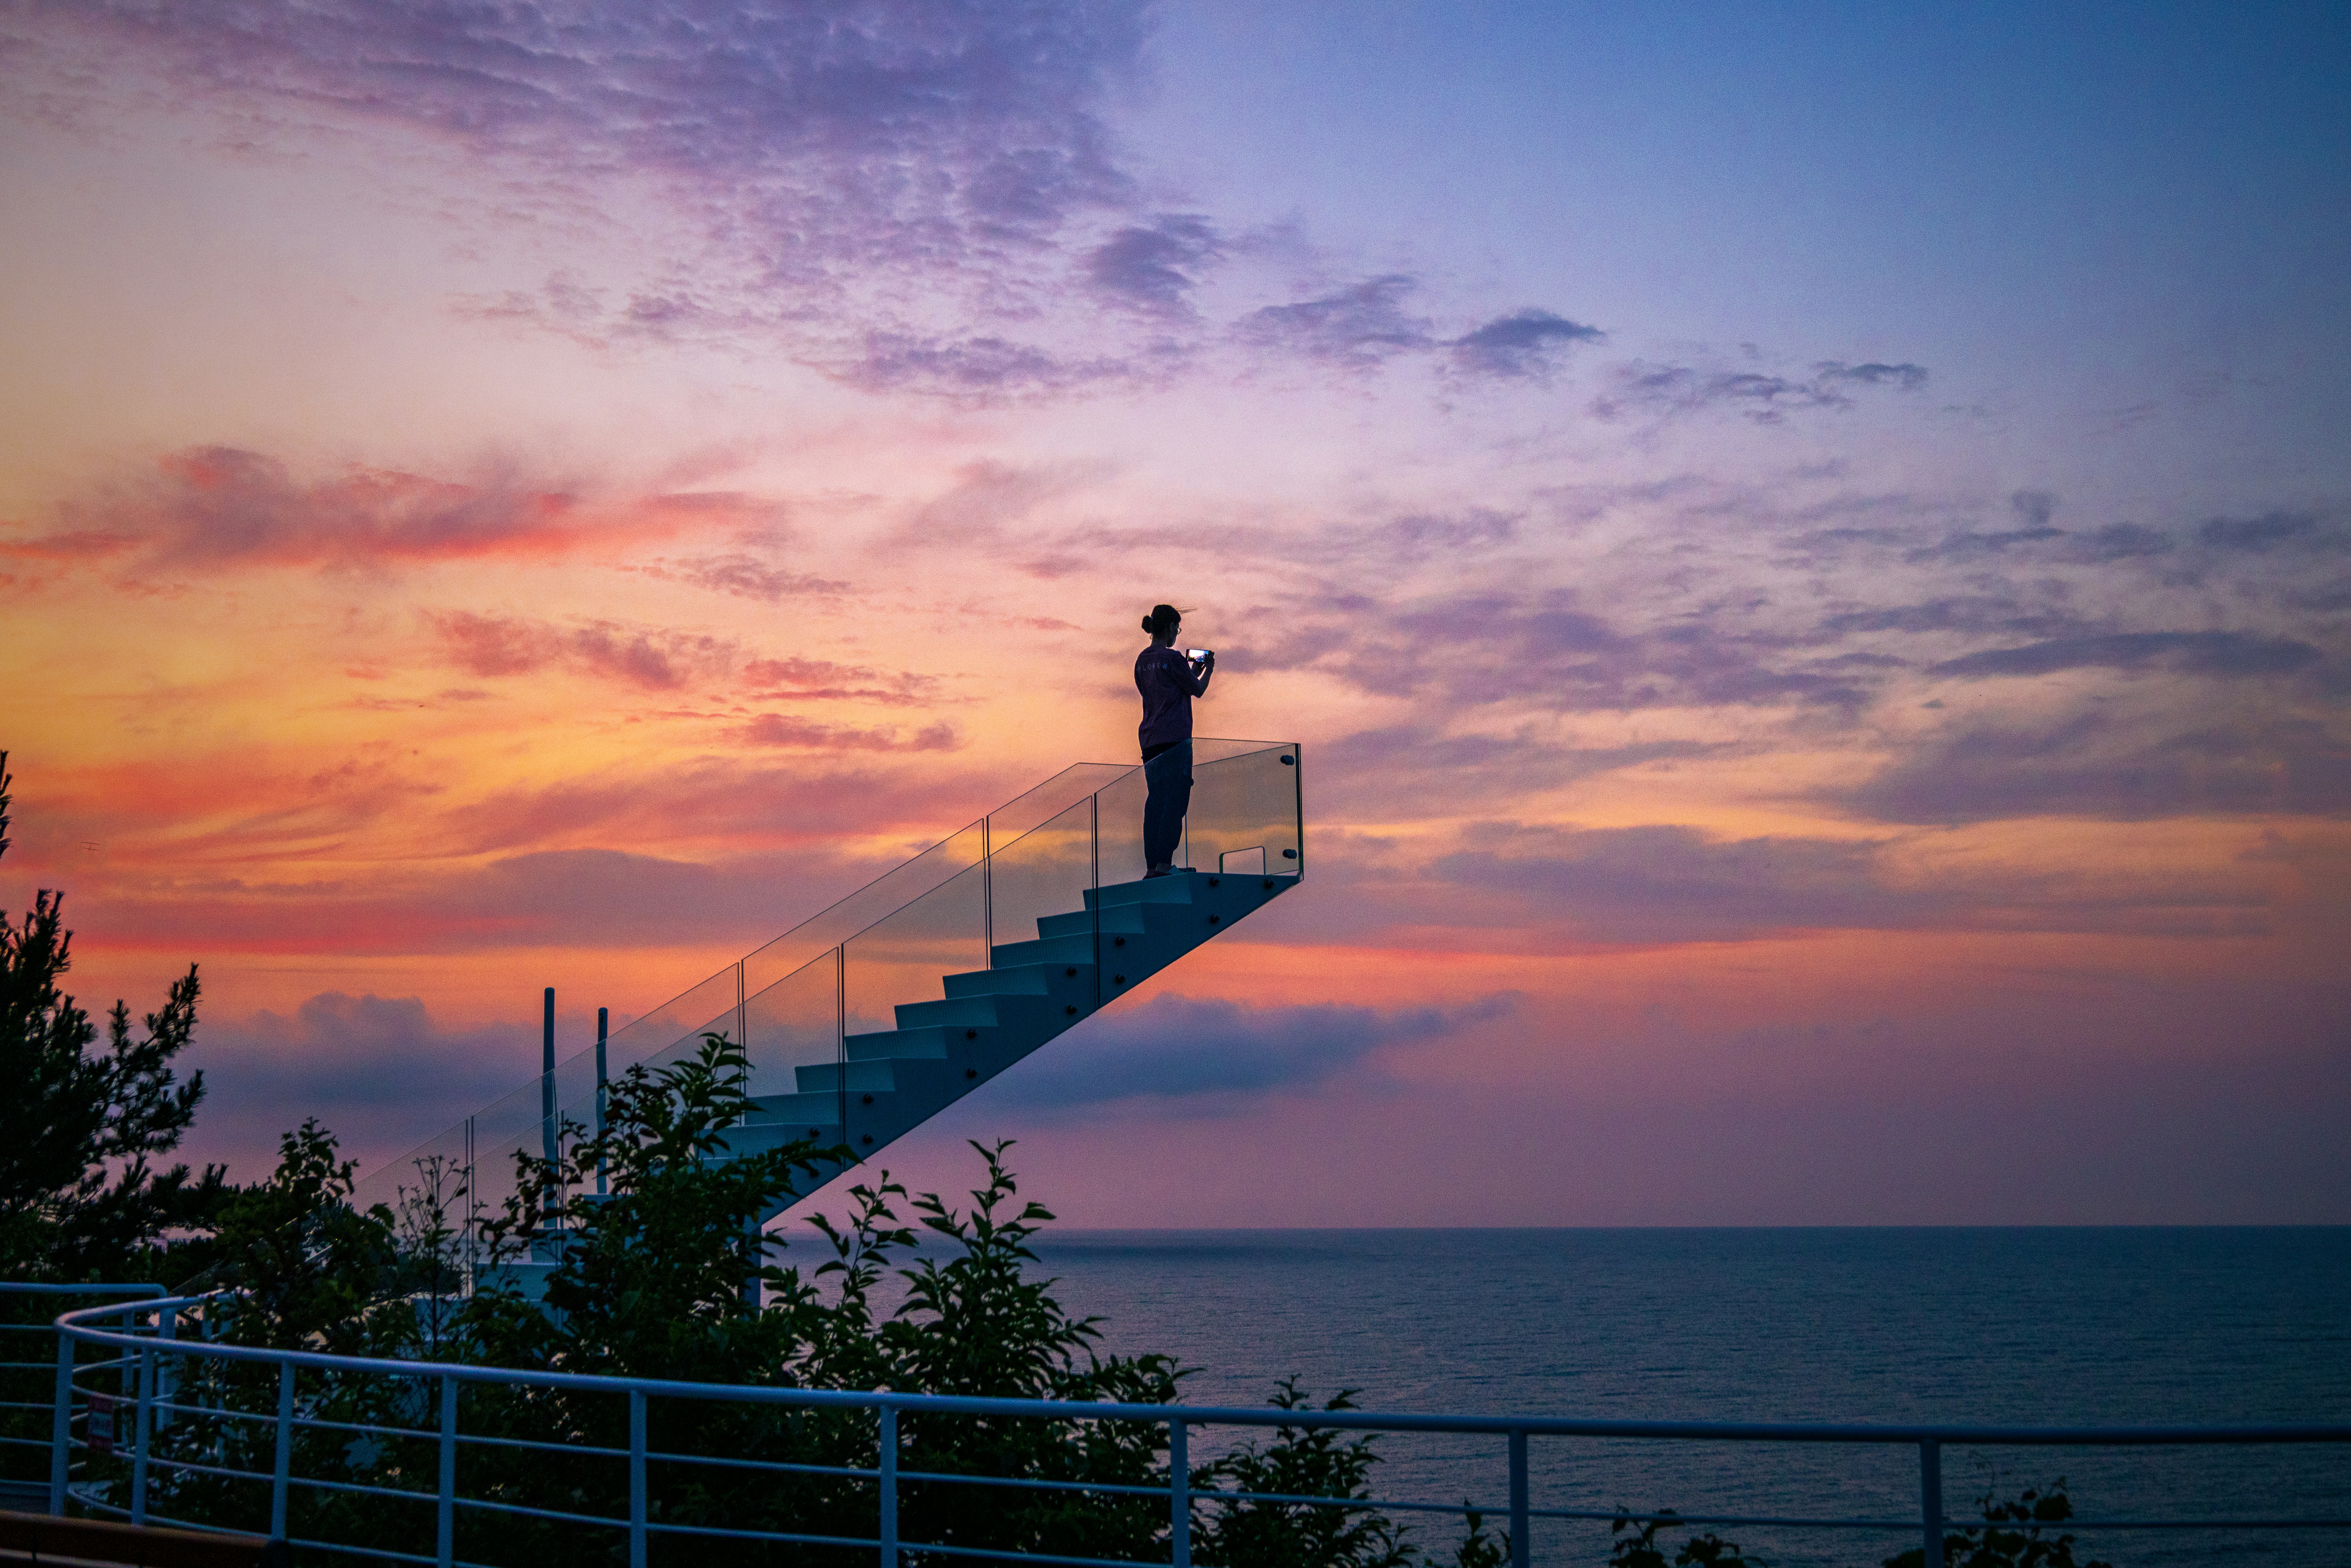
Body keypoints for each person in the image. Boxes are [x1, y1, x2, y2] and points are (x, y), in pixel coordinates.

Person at [1135, 603, 1213, 877]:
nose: (1176, 634)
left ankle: (1152, 867)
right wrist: (1208, 669)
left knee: (1156, 801)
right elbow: (1197, 689)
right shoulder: (1173, 658)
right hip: (1176, 740)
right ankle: (1165, 865)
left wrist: (1191, 672)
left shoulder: (1142, 661)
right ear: (1170, 628)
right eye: (1177, 629)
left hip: (1150, 740)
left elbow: (1167, 689)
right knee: (1176, 800)